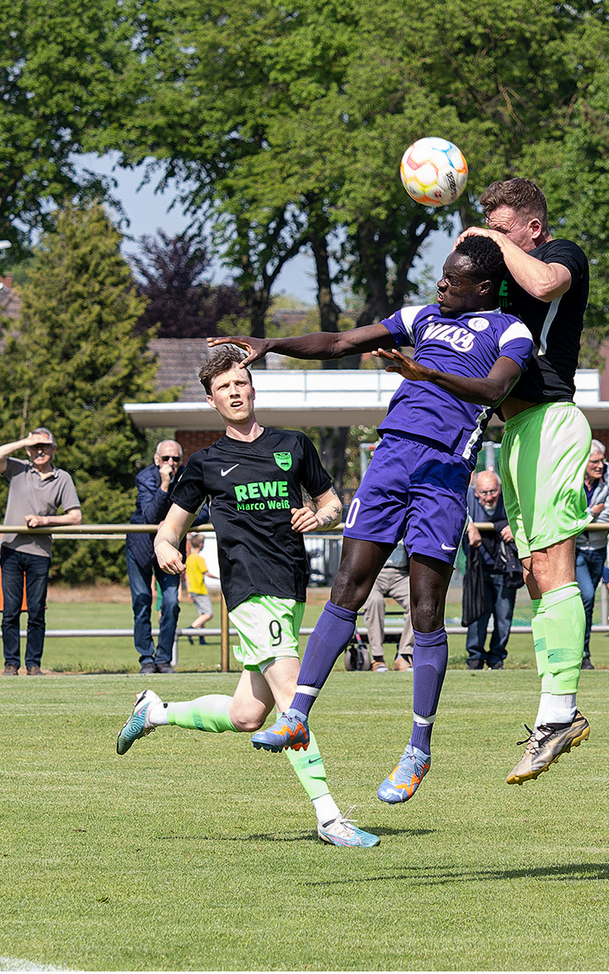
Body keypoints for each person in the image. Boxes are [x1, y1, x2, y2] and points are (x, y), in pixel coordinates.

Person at [211, 235, 532, 805]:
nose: (440, 285)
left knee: (427, 610)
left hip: (442, 472)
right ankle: (298, 714)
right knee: (346, 588)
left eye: (451, 280)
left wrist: (423, 374)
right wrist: (270, 343)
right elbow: (338, 339)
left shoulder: (511, 331)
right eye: (440, 277)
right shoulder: (421, 316)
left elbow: (494, 388)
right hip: (389, 461)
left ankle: (418, 750)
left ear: (482, 287)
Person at [114, 347, 377, 848]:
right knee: (292, 699)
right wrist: (166, 547)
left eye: (241, 382)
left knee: (246, 715)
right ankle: (329, 817)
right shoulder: (205, 463)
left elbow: (333, 504)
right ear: (213, 402)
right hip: (250, 589)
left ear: (253, 387)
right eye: (224, 388)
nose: (235, 392)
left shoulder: (294, 446)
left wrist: (319, 517)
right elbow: (168, 530)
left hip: (289, 585)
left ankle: (156, 712)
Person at [460, 178, 596, 784]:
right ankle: (553, 712)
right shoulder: (499, 292)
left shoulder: (561, 255)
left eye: (503, 224)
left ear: (532, 229)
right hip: (513, 437)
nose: (493, 235)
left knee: (553, 568)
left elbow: (544, 283)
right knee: (537, 578)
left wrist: (486, 238)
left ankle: (559, 714)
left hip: (553, 424)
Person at [0, 428, 82, 676]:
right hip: (11, 548)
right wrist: (23, 441)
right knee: (11, 610)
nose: (40, 451)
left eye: (45, 446)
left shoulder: (63, 478)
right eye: (35, 446)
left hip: (39, 552)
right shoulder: (18, 469)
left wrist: (45, 521)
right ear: (27, 449)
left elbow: (75, 517)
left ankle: (34, 664)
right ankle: (11, 663)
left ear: (54, 449)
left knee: (37, 611)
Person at [127, 440, 185, 674]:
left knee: (171, 603)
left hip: (170, 549)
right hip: (140, 548)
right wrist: (164, 484)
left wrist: (173, 522)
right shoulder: (145, 478)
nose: (171, 463)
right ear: (156, 459)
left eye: (176, 459)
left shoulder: (188, 479)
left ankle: (163, 659)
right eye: (166, 458)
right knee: (142, 601)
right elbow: (150, 514)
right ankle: (146, 659)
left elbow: (202, 512)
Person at [464, 470, 522, 670]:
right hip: (477, 568)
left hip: (505, 568)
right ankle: (475, 657)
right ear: (475, 491)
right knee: (477, 613)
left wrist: (515, 526)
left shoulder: (511, 498)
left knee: (504, 615)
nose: (489, 497)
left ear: (499, 489)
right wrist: (469, 525)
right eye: (484, 492)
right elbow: (454, 512)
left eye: (493, 491)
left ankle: (497, 658)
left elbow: (527, 515)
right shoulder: (466, 499)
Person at [574, 441, 609, 669]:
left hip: (599, 548)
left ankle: (584, 655)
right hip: (575, 549)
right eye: (595, 461)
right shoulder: (569, 475)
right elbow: (567, 517)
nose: (601, 465)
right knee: (587, 596)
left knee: (587, 604)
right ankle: (578, 653)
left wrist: (582, 520)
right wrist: (591, 512)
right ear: (583, 462)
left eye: (602, 460)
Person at [361, 542, 412, 673]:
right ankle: (377, 658)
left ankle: (404, 656)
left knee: (418, 603)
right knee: (374, 600)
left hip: (402, 573)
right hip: (374, 572)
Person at [184, 533, 215, 645]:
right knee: (208, 614)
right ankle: (190, 630)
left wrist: (188, 591)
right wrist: (219, 577)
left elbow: (187, 576)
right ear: (201, 544)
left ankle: (202, 639)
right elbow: (206, 573)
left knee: (202, 614)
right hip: (200, 590)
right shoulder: (199, 558)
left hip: (192, 589)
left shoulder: (189, 558)